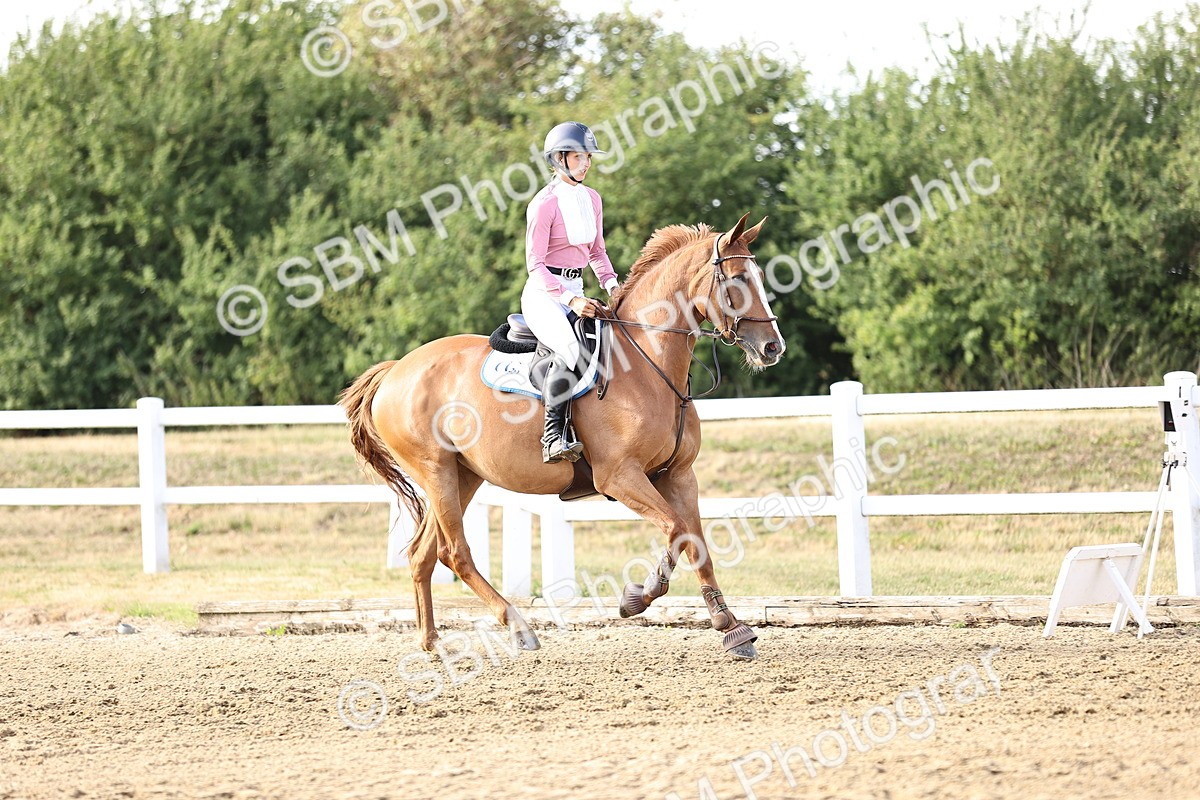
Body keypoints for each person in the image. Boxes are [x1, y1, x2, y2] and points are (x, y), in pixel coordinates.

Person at [523, 121, 620, 463]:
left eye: (589, 157)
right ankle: (552, 437)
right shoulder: (543, 205)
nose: (588, 163)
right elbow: (534, 265)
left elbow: (597, 252)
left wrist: (613, 287)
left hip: (578, 288)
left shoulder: (592, 198)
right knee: (568, 350)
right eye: (581, 156)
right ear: (561, 158)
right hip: (544, 294)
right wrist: (571, 299)